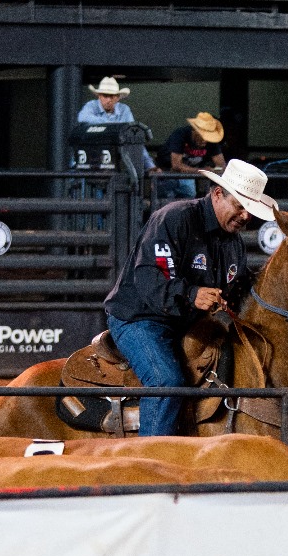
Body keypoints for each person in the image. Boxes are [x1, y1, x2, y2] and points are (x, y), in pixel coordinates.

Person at [104, 159, 275, 436]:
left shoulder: (234, 243)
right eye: (240, 206)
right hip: (139, 318)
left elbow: (239, 285)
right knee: (165, 382)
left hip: (187, 322)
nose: (245, 216)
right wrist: (191, 294)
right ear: (218, 194)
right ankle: (149, 463)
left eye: (250, 210)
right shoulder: (174, 218)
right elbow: (149, 277)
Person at [77, 76, 158, 173]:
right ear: (99, 96)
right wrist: (113, 126)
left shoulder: (124, 110)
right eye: (105, 96)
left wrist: (149, 165)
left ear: (117, 98)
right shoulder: (91, 106)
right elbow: (82, 117)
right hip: (90, 155)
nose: (108, 100)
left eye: (112, 96)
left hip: (112, 158)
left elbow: (134, 135)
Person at [158, 112, 226, 200]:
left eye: (208, 137)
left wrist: (214, 171)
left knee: (188, 201)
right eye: (202, 136)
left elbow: (221, 164)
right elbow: (176, 165)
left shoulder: (211, 142)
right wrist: (202, 171)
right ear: (194, 130)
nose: (205, 141)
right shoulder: (180, 135)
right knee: (164, 204)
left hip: (188, 177)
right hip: (166, 174)